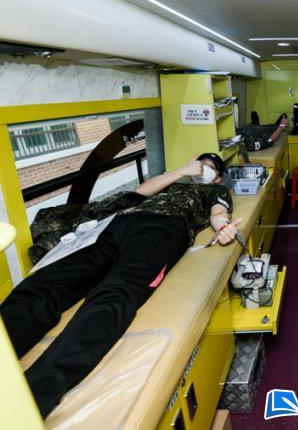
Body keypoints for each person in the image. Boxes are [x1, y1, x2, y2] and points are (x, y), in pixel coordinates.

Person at [0, 153, 243, 418]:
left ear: (217, 177)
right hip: (113, 226)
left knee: (115, 293)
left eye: (210, 167)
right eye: (200, 163)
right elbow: (139, 193)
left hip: (163, 229)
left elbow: (219, 214)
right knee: (45, 285)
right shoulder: (171, 182)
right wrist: (182, 170)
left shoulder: (214, 191)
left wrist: (224, 229)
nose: (203, 168)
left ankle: (31, 398)